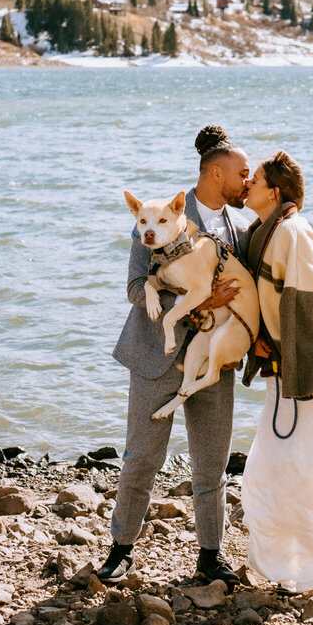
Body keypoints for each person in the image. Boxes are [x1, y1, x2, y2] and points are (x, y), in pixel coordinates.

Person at [100, 126, 252, 585]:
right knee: (141, 459)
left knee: (212, 465)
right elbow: (133, 288)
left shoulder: (241, 228)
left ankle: (210, 556)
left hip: (214, 361)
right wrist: (194, 304)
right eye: (241, 174)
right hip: (153, 356)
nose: (247, 182)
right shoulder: (156, 216)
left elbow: (250, 296)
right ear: (215, 172)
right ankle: (121, 549)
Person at [238, 150, 313, 594]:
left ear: (274, 192)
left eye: (255, 180)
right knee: (266, 471)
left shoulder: (292, 232)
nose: (247, 183)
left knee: (298, 472)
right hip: (287, 376)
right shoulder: (264, 233)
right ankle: (280, 568)